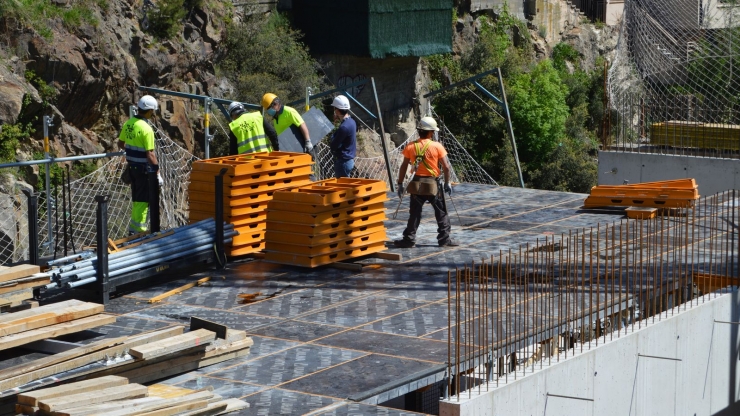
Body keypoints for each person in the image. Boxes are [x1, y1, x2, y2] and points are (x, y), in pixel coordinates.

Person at [394, 116, 457, 248]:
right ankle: (444, 239)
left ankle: (409, 239)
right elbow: (446, 166)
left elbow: (404, 166)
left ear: (419, 131)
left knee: (415, 213)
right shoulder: (437, 146)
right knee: (441, 212)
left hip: (416, 185)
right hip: (433, 185)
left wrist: (400, 184)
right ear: (430, 132)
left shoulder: (411, 146)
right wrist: (447, 182)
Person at [118, 95, 161, 234]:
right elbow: (150, 154)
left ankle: (134, 230)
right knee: (143, 200)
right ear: (149, 111)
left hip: (132, 168)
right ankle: (139, 231)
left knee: (137, 198)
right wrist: (157, 172)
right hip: (143, 170)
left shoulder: (128, 123)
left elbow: (121, 143)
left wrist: (132, 150)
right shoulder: (147, 129)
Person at [329, 95, 356, 177]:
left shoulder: (344, 127)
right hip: (349, 160)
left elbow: (333, 145)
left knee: (342, 188)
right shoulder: (352, 122)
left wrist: (334, 125)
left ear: (337, 111)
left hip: (343, 162)